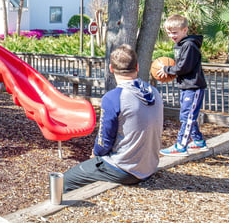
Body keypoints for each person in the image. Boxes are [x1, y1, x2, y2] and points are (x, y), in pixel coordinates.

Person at [60, 44, 163, 193]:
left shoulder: (114, 97)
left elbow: (104, 140)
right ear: (137, 67)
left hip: (124, 169)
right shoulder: (154, 92)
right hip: (149, 165)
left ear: (111, 68)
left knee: (65, 180)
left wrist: (95, 154)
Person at [155, 14, 208, 156]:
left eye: (175, 32)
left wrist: (166, 69)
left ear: (185, 30)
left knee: (187, 116)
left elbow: (184, 67)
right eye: (169, 32)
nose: (172, 35)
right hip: (186, 86)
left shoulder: (189, 45)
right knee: (189, 115)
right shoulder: (181, 45)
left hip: (194, 87)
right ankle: (198, 142)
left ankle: (181, 145)